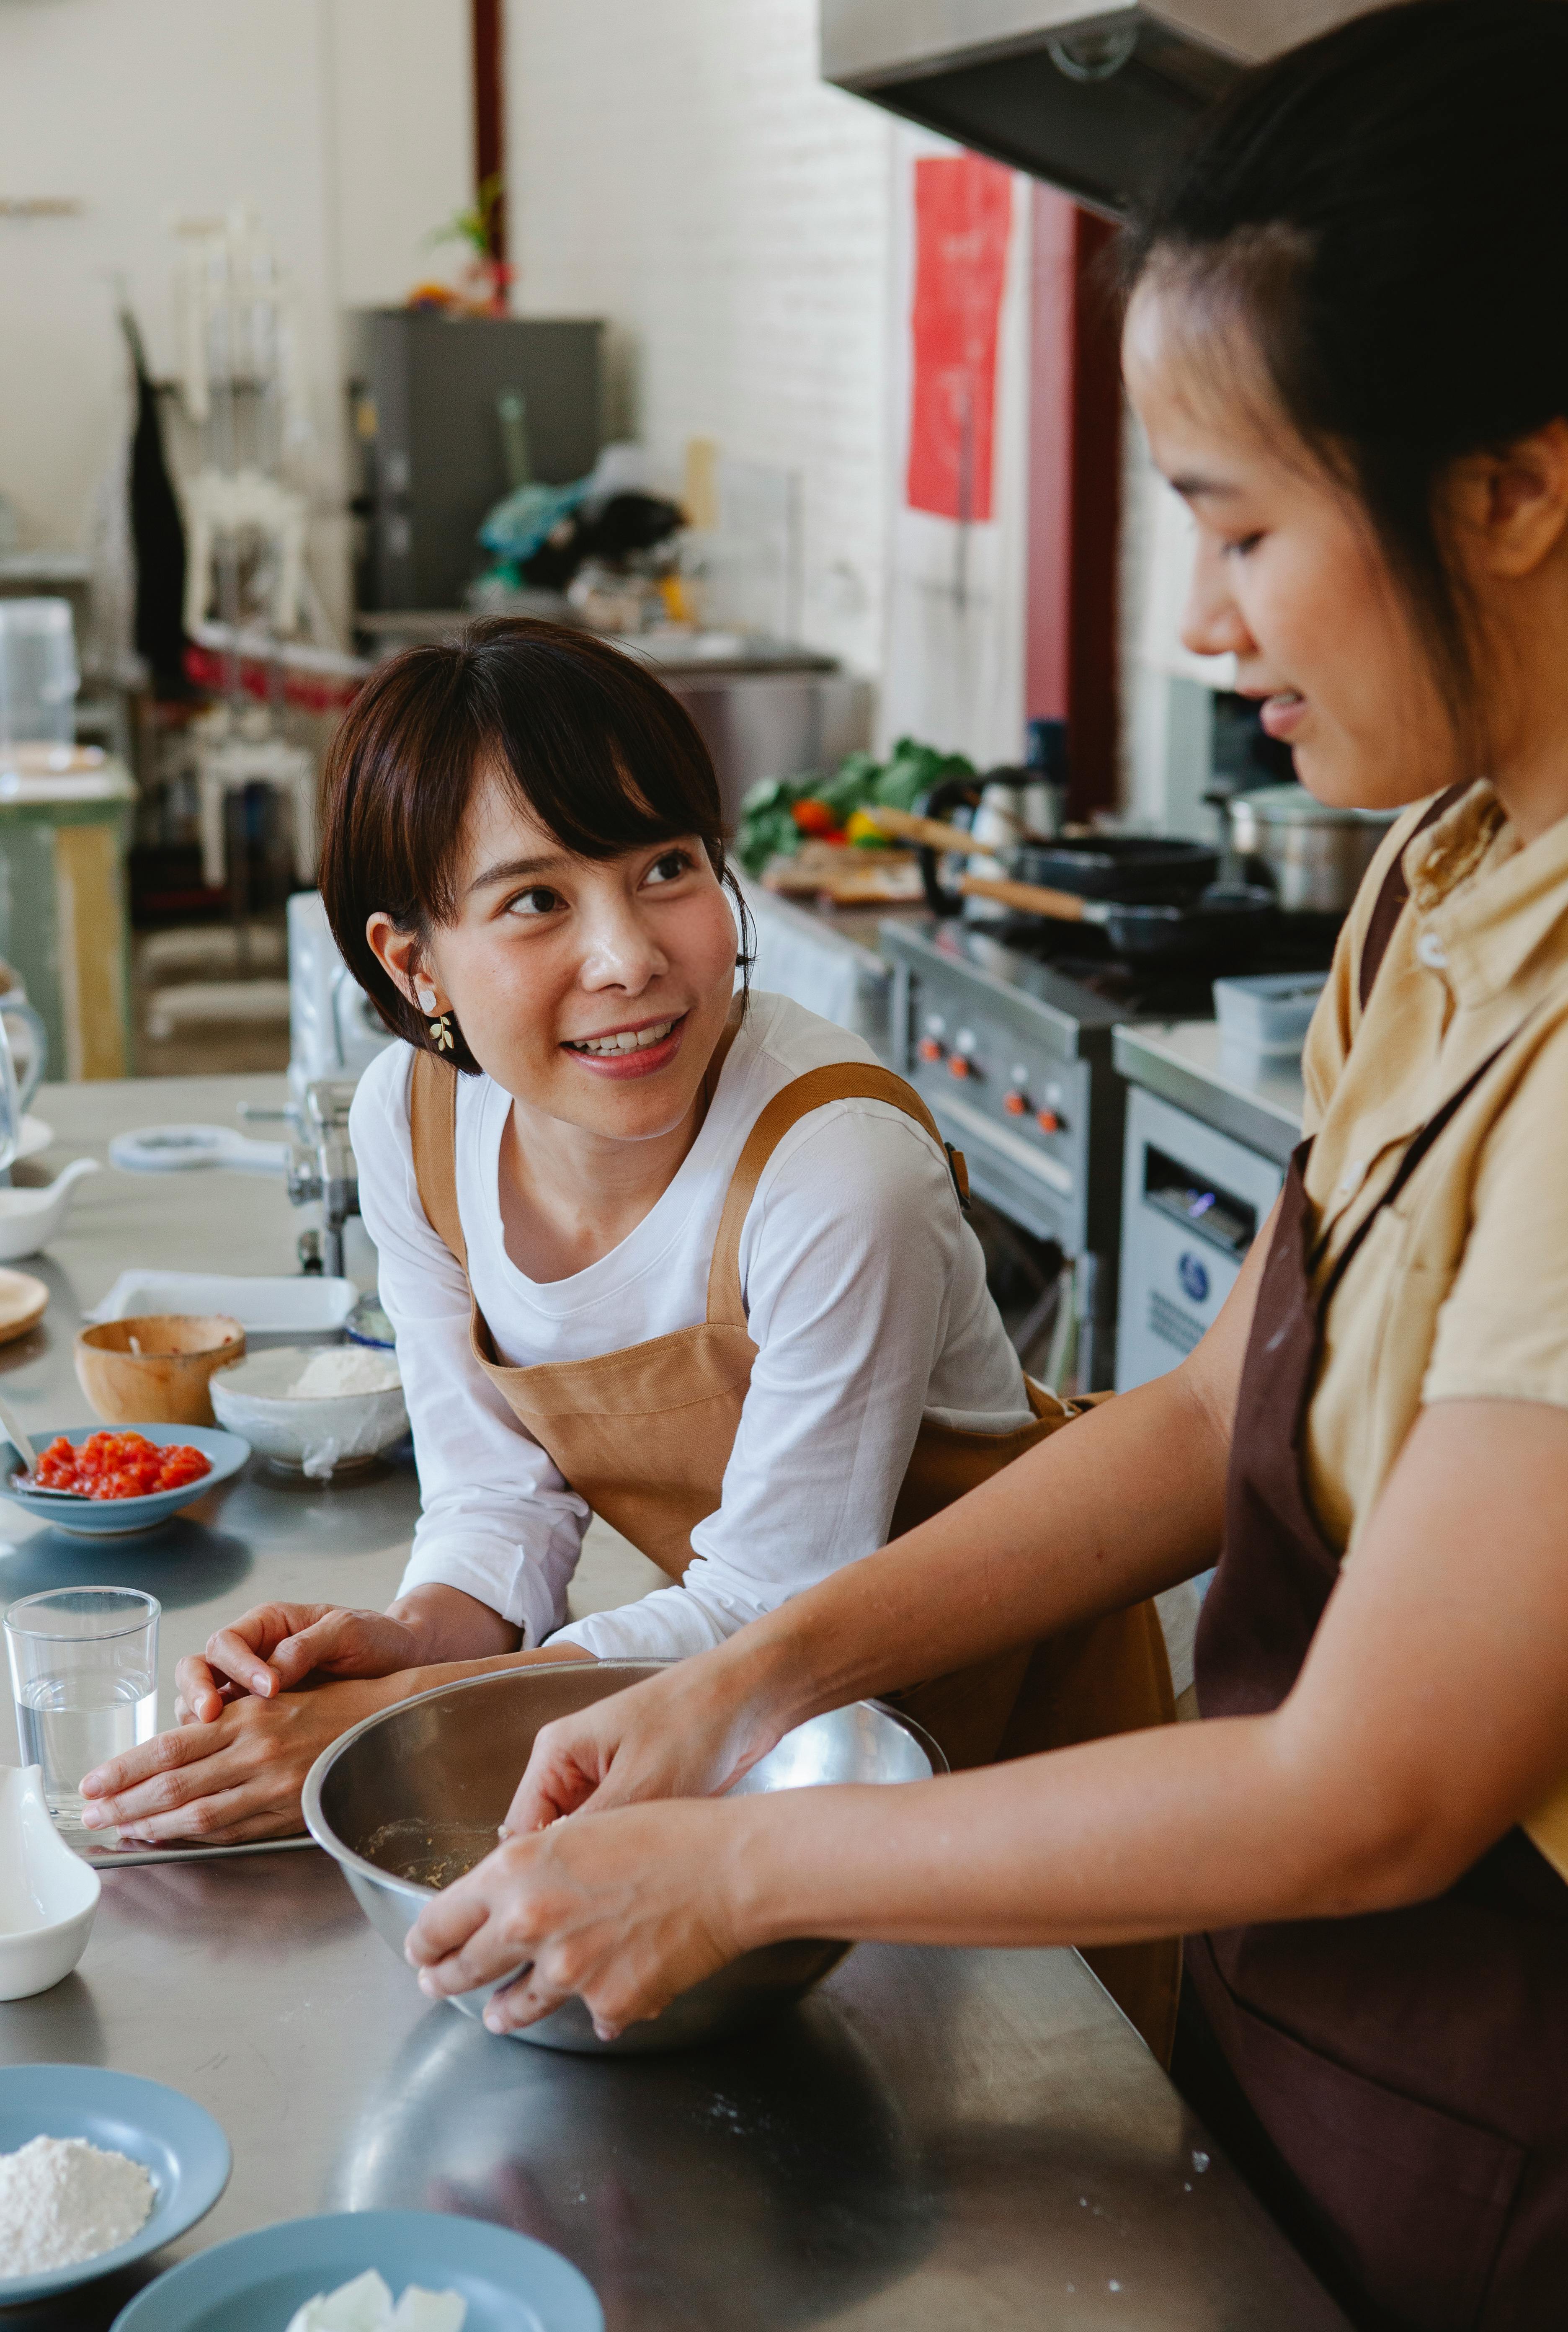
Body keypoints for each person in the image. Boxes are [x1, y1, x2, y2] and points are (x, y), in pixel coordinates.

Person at [395, 0, 1568, 2328]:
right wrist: (752, 1678)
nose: (1208, 629)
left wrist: (744, 1870)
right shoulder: (1448, 874)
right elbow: (1211, 1408)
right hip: (1332, 2039)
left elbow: (1377, 1784)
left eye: (1242, 527)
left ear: (1517, 485)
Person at [79, 617, 1173, 2035]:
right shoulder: (414, 1125)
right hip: (738, 1754)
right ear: (414, 965)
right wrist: (415, 1640)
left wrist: (400, 1733)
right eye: (535, 902)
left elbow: (769, 1606)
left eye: (665, 870)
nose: (629, 956)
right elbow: (497, 1494)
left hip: (1007, 1763)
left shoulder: (835, 1168)